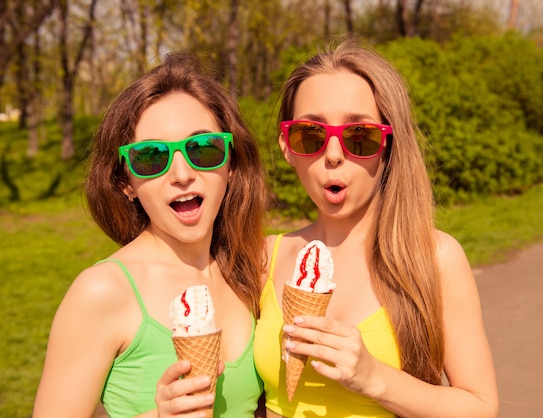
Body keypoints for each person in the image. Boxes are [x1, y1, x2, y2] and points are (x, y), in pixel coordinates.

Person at [156, 37, 499, 417]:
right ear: (286, 146)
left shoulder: (434, 257)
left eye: (359, 137)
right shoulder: (263, 258)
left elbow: (480, 406)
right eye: (311, 135)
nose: (333, 155)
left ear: (388, 144)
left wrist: (374, 378)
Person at [32, 52, 267, 418]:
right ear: (126, 181)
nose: (181, 174)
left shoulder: (251, 272)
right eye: (152, 157)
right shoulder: (102, 291)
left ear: (231, 163)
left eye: (202, 148)